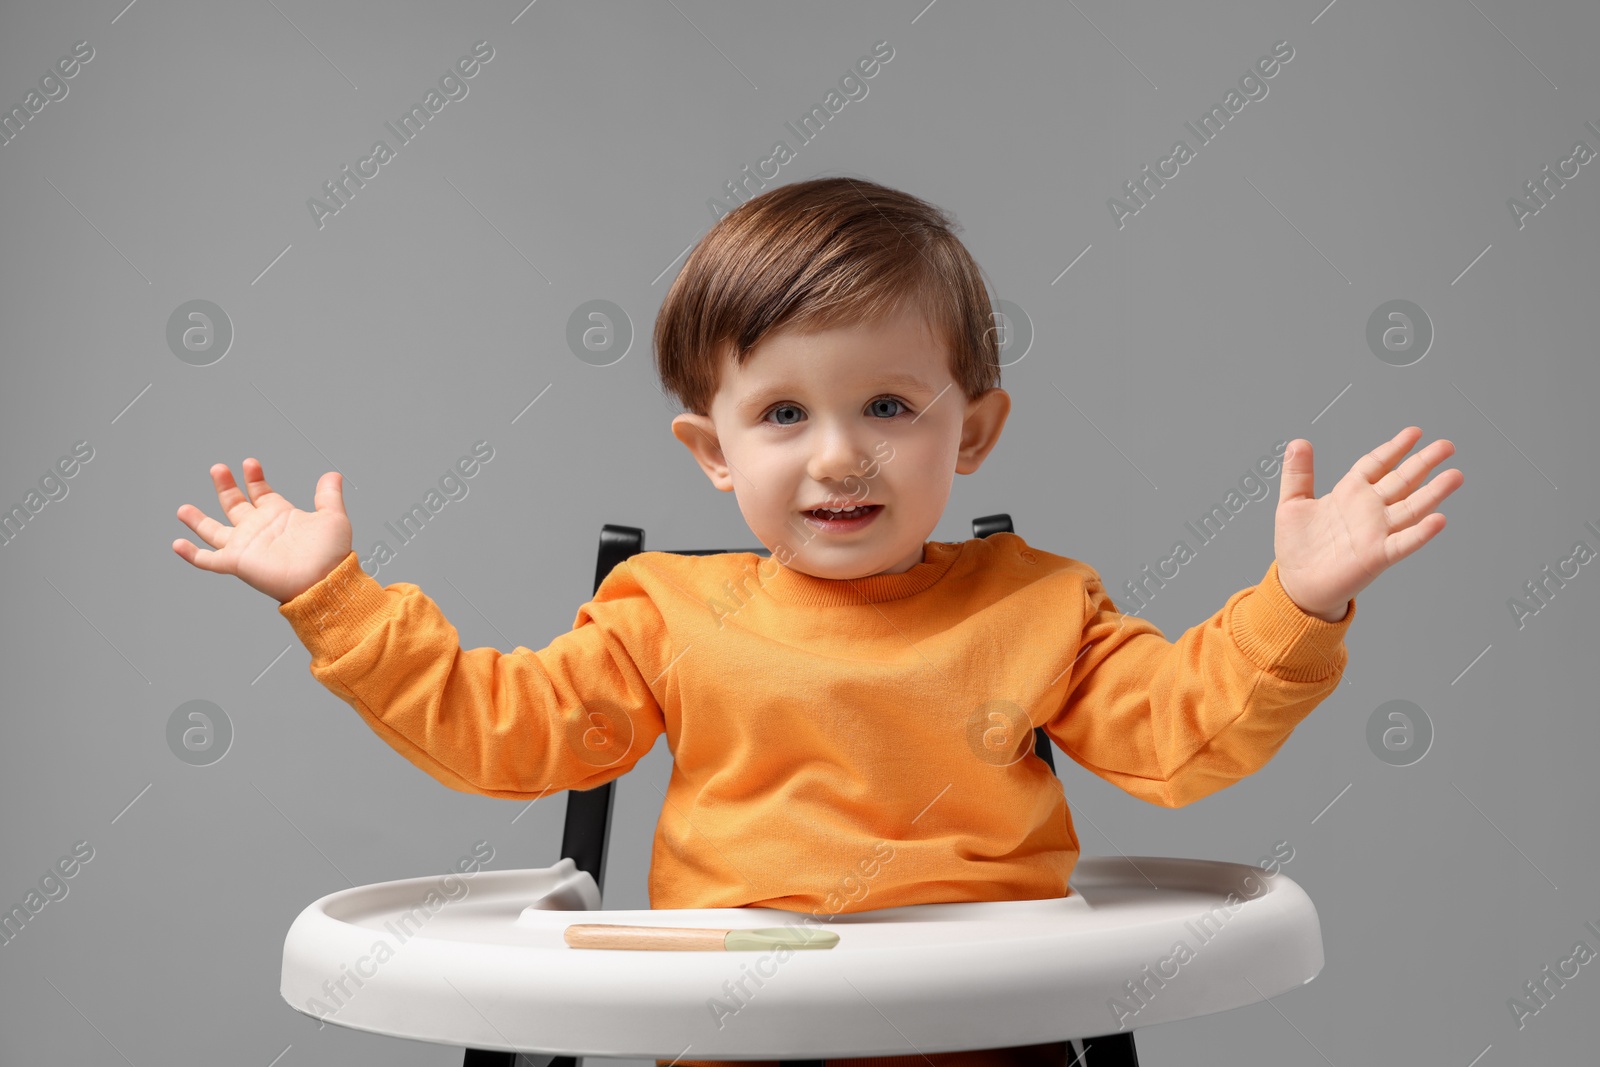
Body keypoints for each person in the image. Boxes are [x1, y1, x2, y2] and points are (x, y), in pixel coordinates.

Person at [171, 177, 1462, 1067]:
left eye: (890, 408)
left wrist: (1299, 597)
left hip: (989, 1036)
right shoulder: (666, 612)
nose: (840, 455)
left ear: (977, 431)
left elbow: (1183, 738)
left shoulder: (1037, 604)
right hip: (736, 1035)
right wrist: (332, 598)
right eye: (783, 415)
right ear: (711, 452)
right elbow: (501, 733)